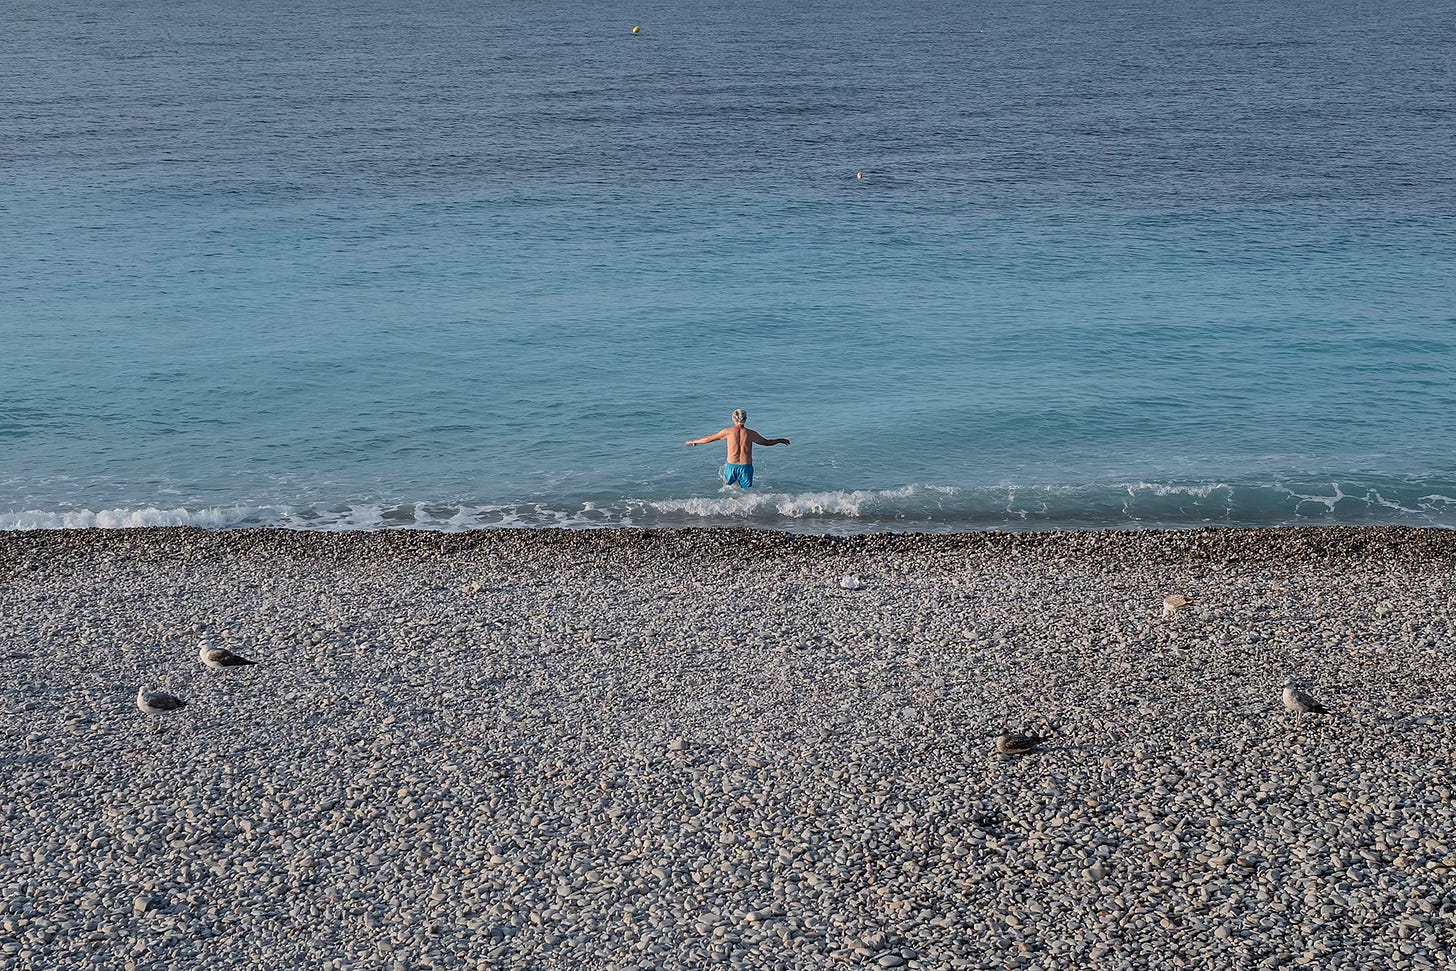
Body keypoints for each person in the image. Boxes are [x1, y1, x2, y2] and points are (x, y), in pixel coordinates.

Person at [684, 408, 790, 489]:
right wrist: (780, 440)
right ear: (746, 419)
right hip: (746, 467)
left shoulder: (728, 432)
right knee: (747, 493)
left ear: (733, 419)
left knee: (726, 489)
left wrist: (694, 441)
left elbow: (709, 438)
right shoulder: (751, 433)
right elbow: (767, 443)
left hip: (731, 467)